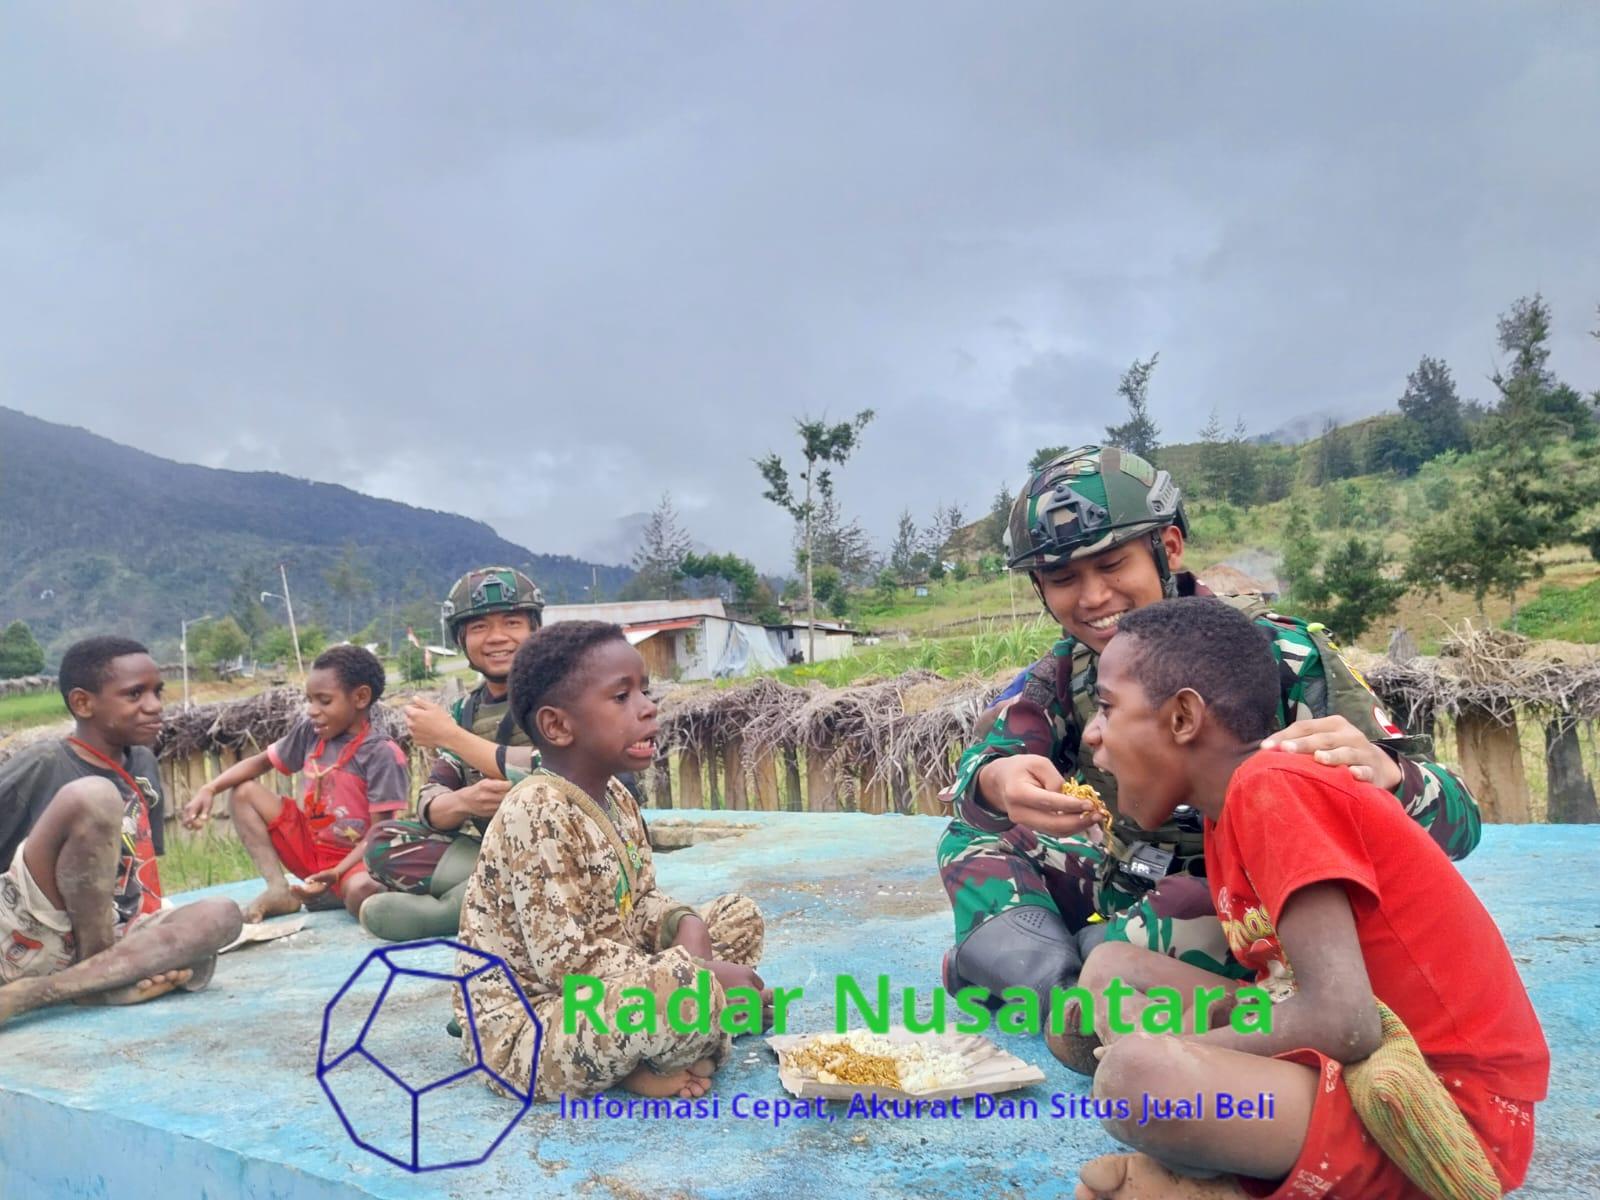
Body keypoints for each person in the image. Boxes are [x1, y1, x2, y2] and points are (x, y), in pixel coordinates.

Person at [938, 446, 1481, 1020]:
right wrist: (999, 782)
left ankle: (1032, 974)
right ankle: (1068, 992)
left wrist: (1390, 778)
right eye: (1064, 578)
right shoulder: (1063, 672)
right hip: (1125, 879)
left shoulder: (1274, 655)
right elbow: (982, 768)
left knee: (1145, 931)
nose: (1093, 597)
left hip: (1248, 900)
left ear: (1167, 548)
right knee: (974, 842)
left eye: (1113, 564)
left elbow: (1460, 823)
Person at [1063, 598, 1546, 1200]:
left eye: (1107, 708)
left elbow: (1345, 1022)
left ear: (1183, 717)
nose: (1092, 733)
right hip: (1362, 1062)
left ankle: (1225, 1186)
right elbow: (1284, 994)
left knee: (1134, 1077)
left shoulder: (1274, 788)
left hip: (1439, 1112)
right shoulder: (1227, 815)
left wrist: (1167, 1046)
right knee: (1110, 965)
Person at [454, 620, 769, 1101]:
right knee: (685, 990)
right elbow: (567, 964)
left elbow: (638, 901)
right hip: (534, 1022)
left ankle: (682, 1034)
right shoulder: (534, 811)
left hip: (612, 981)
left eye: (644, 691)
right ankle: (652, 1059)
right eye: (621, 698)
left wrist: (682, 926)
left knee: (737, 916)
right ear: (558, 726)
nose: (647, 708)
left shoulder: (616, 797)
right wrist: (699, 974)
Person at [0, 637, 241, 1022]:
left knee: (223, 914)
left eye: (157, 692)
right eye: (134, 694)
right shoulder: (44, 763)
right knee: (94, 796)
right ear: (83, 703)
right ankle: (102, 974)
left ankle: (57, 991)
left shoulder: (142, 763)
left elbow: (139, 878)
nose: (155, 706)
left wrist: (157, 941)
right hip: (35, 927)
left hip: (116, 930)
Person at [359, 567, 544, 942]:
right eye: (479, 628)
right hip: (496, 854)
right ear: (461, 639)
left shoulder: (564, 694)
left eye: (512, 622)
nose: (497, 638)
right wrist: (465, 801)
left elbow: (562, 771)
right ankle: (505, 901)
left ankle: (452, 911)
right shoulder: (465, 712)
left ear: (534, 629)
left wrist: (453, 737)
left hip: (565, 851)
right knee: (383, 841)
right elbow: (431, 800)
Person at [182, 644, 409, 922]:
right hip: (312, 850)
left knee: (364, 892)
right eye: (310, 700)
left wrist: (338, 873)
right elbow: (260, 762)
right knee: (244, 792)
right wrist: (210, 788)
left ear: (360, 698)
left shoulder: (381, 753)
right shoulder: (311, 733)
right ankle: (279, 890)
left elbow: (379, 834)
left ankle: (337, 891)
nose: (312, 710)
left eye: (324, 701)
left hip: (358, 860)